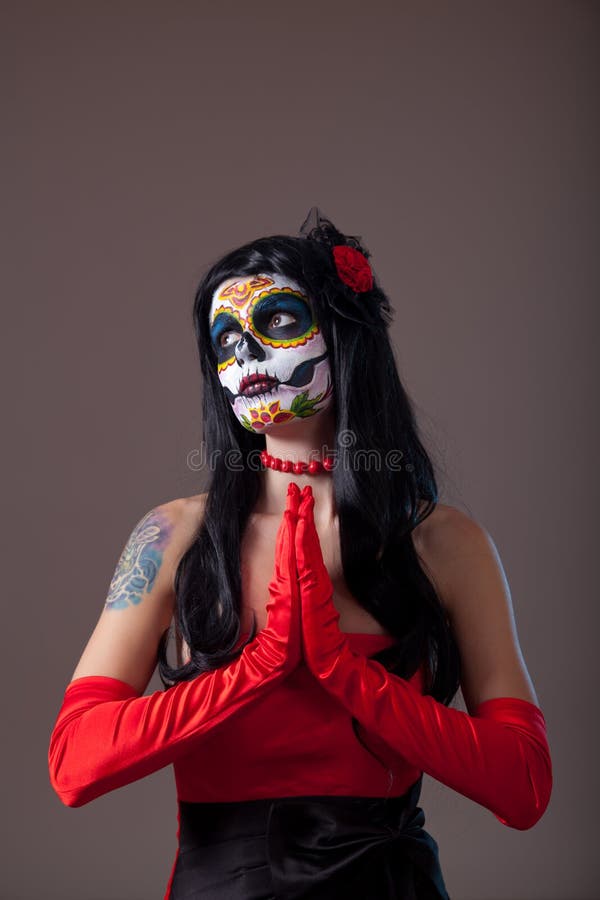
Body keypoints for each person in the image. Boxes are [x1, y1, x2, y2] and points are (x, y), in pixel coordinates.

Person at [48, 207, 553, 899]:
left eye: (277, 321)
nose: (245, 357)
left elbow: (523, 787)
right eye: (225, 340)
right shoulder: (172, 537)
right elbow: (74, 764)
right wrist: (253, 671)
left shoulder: (444, 543)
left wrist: (351, 679)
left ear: (347, 336)